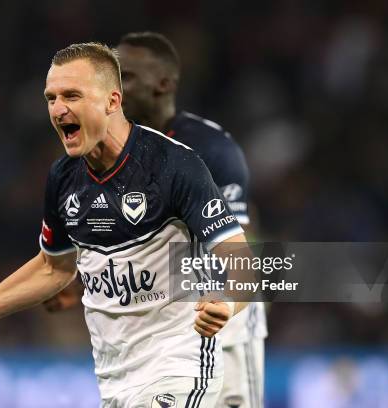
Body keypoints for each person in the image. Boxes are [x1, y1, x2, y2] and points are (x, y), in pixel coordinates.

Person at [0, 42, 252, 407]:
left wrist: (226, 301)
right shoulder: (64, 178)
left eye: (72, 96)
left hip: (180, 366)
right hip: (114, 380)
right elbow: (54, 267)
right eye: (51, 98)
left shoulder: (174, 166)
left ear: (112, 101)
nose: (58, 109)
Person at [44, 32, 268, 408]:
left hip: (222, 317)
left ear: (163, 84)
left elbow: (242, 243)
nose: (118, 85)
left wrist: (228, 302)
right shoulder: (110, 151)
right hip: (163, 328)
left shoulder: (208, 149)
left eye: (127, 76)